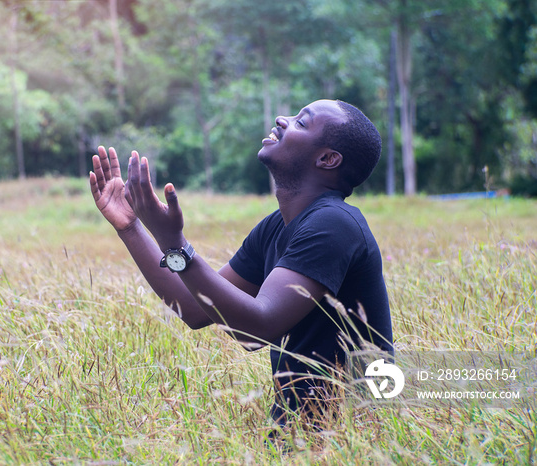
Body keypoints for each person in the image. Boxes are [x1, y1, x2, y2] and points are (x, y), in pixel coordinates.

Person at [88, 99, 394, 431]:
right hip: (298, 433)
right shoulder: (277, 226)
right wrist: (131, 228)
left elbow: (261, 326)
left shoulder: (335, 223)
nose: (282, 118)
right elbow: (193, 308)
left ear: (327, 159)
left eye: (302, 122)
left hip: (355, 436)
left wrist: (174, 243)